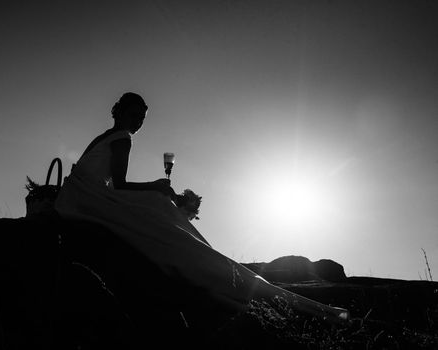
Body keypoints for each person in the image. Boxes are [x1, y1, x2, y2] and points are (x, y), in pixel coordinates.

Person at [54, 92, 349, 326]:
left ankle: (188, 242)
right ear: (121, 112)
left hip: (78, 195)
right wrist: (157, 185)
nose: (139, 122)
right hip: (89, 199)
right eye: (135, 115)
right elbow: (118, 185)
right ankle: (196, 251)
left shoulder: (106, 135)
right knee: (158, 205)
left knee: (158, 205)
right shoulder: (122, 139)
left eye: (142, 118)